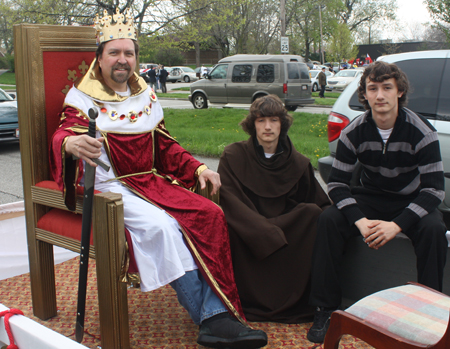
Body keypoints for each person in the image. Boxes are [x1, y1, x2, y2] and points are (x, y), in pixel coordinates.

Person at [49, 9, 267, 349]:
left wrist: (198, 169)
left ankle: (216, 310)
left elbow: (164, 146)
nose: (122, 60)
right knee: (164, 227)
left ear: (136, 57)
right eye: (114, 52)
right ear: (100, 57)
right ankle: (210, 319)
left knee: (210, 214)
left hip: (149, 182)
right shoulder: (81, 98)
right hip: (111, 188)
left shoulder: (145, 95)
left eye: (129, 53)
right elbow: (61, 134)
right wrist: (71, 143)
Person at [307, 61, 448, 343]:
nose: (380, 95)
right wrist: (359, 220)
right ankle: (326, 308)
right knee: (328, 219)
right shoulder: (354, 131)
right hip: (371, 196)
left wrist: (396, 225)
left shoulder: (422, 131)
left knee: (434, 230)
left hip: (411, 198)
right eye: (373, 89)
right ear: (365, 95)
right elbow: (336, 183)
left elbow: (434, 191)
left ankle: (429, 313)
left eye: (387, 88)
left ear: (399, 92)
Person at [217, 95, 331, 323]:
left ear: (282, 124)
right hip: (249, 231)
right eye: (260, 120)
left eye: (273, 120)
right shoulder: (233, 156)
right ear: (252, 125)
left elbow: (320, 202)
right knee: (229, 224)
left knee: (313, 214)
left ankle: (309, 302)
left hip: (287, 233)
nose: (267, 127)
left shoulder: (299, 163)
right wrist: (263, 230)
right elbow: (229, 200)